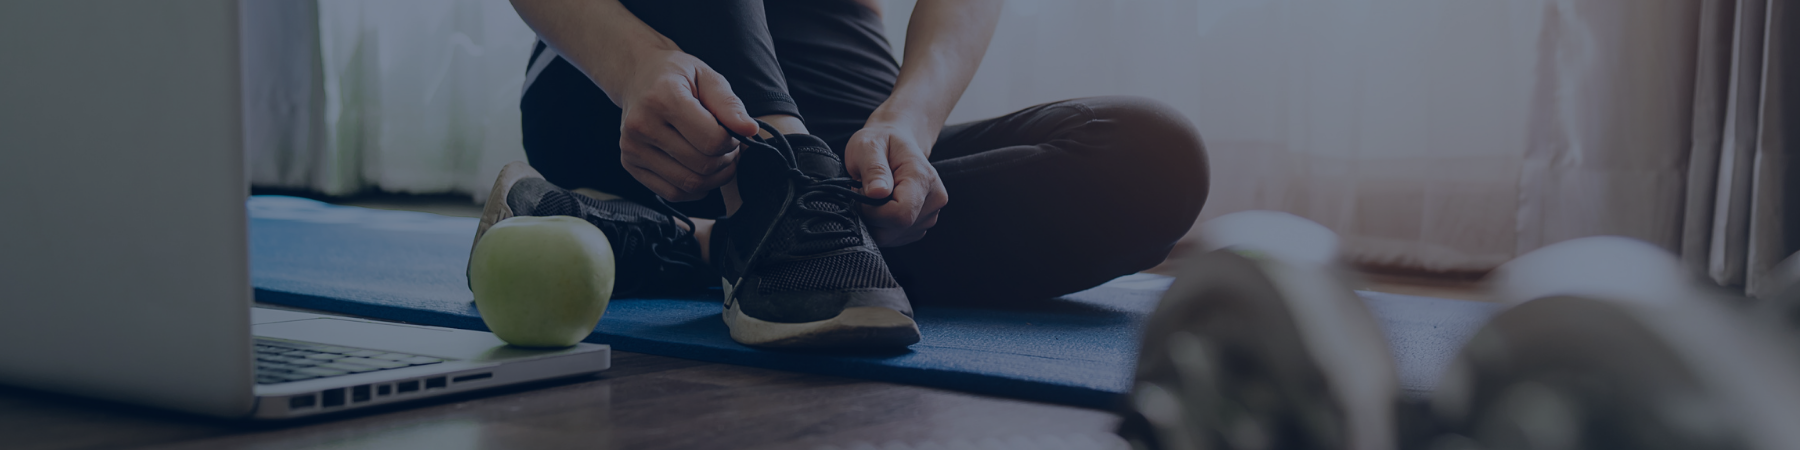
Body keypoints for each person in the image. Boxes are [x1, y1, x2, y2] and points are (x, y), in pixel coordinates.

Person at [474, 0, 1209, 349]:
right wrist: (634, 65)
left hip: (840, 98)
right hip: (653, 83)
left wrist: (905, 124)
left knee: (1156, 158)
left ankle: (702, 242)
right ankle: (783, 197)